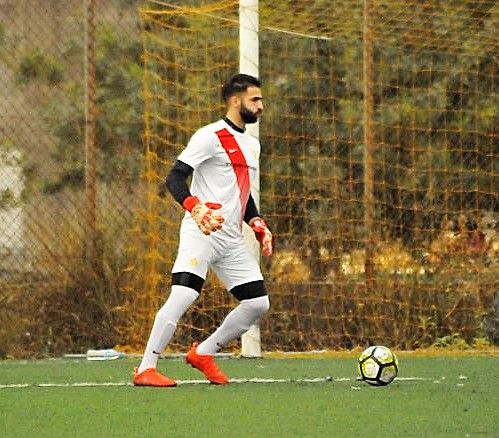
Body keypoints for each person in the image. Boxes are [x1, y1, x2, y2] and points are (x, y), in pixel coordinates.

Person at [133, 73, 273, 387]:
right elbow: (174, 177)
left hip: (231, 240)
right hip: (202, 234)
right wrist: (195, 208)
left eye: (261, 99)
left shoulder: (253, 145)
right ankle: (145, 369)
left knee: (257, 303)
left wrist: (257, 222)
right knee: (184, 294)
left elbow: (241, 192)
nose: (261, 106)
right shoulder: (209, 136)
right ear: (235, 101)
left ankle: (203, 353)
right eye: (255, 99)